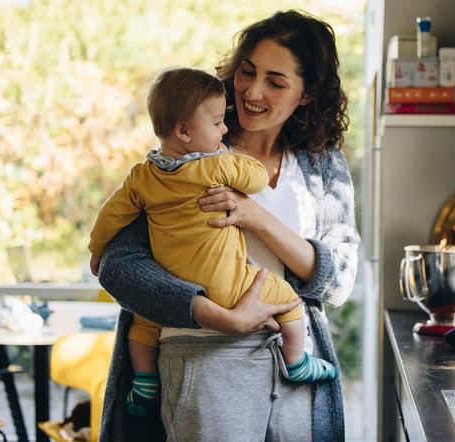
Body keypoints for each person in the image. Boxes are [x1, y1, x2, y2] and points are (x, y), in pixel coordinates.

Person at [97, 9, 359, 442]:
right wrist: (214, 316)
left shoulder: (321, 163)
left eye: (275, 82)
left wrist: (259, 219)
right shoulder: (192, 147)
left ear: (307, 94)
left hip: (294, 362)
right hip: (203, 358)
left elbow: (341, 278)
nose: (251, 92)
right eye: (247, 71)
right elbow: (119, 265)